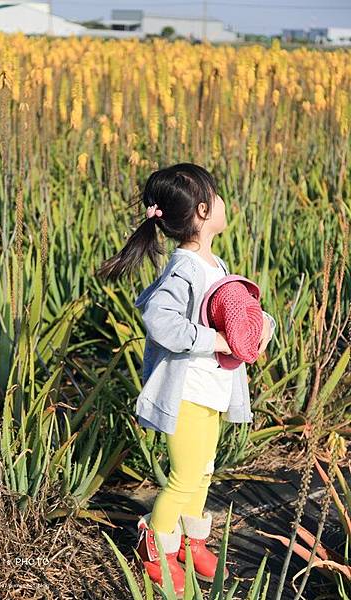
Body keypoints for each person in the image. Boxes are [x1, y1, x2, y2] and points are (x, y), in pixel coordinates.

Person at [97, 163, 276, 598]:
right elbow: (161, 321)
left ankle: (191, 541)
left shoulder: (214, 263)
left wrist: (260, 326)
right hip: (188, 393)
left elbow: (237, 314)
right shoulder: (185, 269)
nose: (222, 202)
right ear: (201, 210)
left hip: (212, 390)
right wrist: (217, 339)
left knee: (203, 472)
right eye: (215, 196)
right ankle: (154, 546)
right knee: (184, 475)